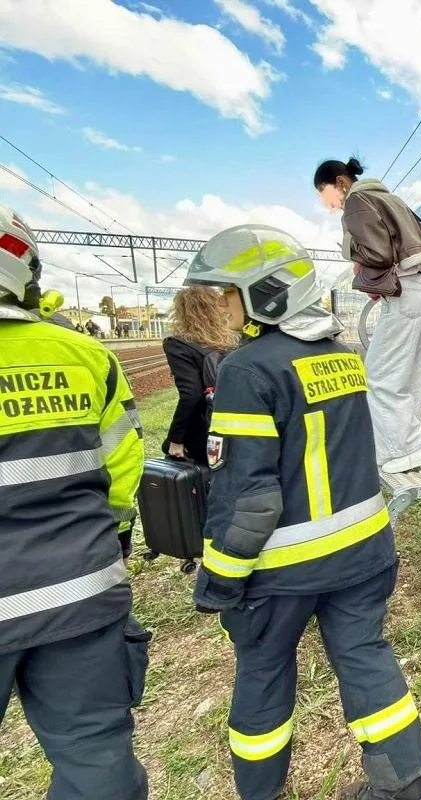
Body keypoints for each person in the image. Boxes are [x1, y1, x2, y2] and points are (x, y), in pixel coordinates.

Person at [185, 224, 421, 800]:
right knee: (367, 661)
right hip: (366, 553)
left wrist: (219, 580)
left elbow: (249, 498)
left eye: (228, 295)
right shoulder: (341, 356)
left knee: (264, 677)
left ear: (263, 295)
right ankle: (403, 788)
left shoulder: (247, 370)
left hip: (283, 572)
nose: (221, 309)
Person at [0, 202, 149, 799]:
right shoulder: (88, 358)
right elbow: (123, 466)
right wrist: (107, 541)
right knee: (98, 764)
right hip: (81, 592)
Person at [314, 157, 421, 475]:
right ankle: (414, 444)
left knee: (380, 378)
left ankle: (399, 449)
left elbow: (379, 254)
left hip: (402, 293)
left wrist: (351, 249)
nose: (328, 202)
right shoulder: (391, 198)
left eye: (325, 193)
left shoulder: (357, 200)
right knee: (411, 376)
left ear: (341, 182)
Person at [163, 286, 239, 464]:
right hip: (236, 425)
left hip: (207, 432)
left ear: (182, 313)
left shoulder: (177, 344)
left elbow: (191, 394)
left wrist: (176, 439)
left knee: (170, 451)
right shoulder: (233, 341)